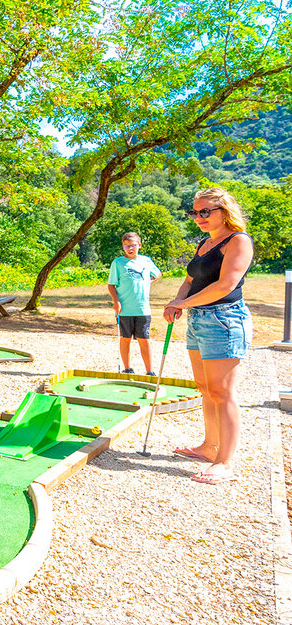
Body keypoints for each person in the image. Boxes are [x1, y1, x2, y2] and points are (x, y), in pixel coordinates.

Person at [164, 187, 253, 485]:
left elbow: (226, 285)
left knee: (222, 392)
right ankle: (208, 446)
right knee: (205, 388)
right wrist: (177, 302)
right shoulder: (205, 243)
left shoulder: (238, 242)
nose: (199, 217)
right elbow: (190, 280)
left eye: (205, 211)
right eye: (195, 212)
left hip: (224, 319)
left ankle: (225, 462)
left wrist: (183, 303)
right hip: (198, 319)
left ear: (224, 210)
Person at [107, 232, 162, 375]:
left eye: (132, 245)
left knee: (144, 338)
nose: (129, 248)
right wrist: (116, 301)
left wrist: (148, 282)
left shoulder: (146, 261)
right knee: (125, 339)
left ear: (139, 245)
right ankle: (127, 368)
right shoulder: (118, 263)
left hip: (143, 309)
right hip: (124, 309)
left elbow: (158, 274)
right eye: (126, 246)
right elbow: (111, 285)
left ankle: (150, 371)